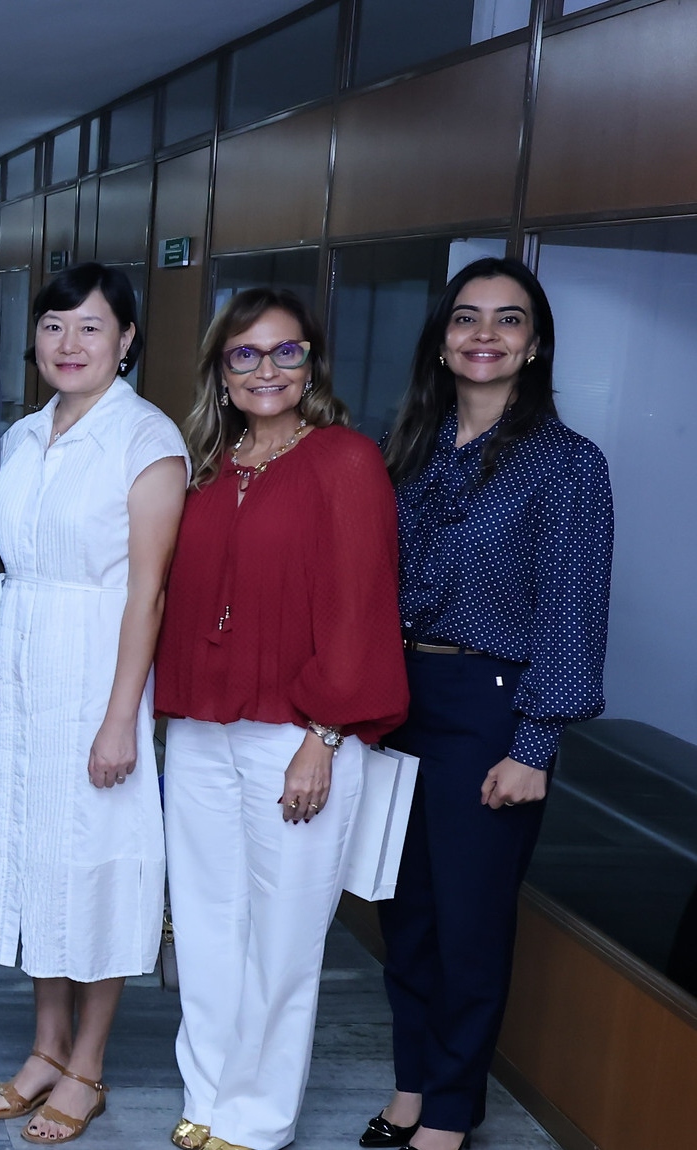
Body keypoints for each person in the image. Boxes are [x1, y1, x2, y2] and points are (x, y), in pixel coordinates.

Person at [363, 259, 612, 1150]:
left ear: (534, 344)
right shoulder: (408, 449)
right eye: (466, 318)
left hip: (492, 706)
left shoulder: (569, 464)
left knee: (470, 920)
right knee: (408, 912)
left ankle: (453, 1111)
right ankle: (411, 1083)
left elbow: (573, 612)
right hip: (399, 699)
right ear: (441, 338)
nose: (484, 335)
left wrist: (534, 744)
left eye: (508, 321)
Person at [154, 288, 408, 1150]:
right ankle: (209, 1094)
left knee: (286, 935)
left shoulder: (345, 461)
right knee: (209, 923)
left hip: (298, 737)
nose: (268, 370)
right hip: (198, 731)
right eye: (246, 355)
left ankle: (257, 1121)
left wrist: (325, 735)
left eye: (286, 352)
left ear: (312, 364)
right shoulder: (204, 464)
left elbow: (360, 605)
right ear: (221, 374)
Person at [0, 262, 187, 1144]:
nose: (69, 344)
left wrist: (119, 717)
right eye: (54, 326)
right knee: (35, 859)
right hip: (22, 676)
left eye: (91, 327)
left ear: (127, 340)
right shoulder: (21, 435)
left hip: (98, 673)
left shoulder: (148, 441)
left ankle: (88, 1067)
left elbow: (150, 592)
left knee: (97, 867)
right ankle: (45, 1046)